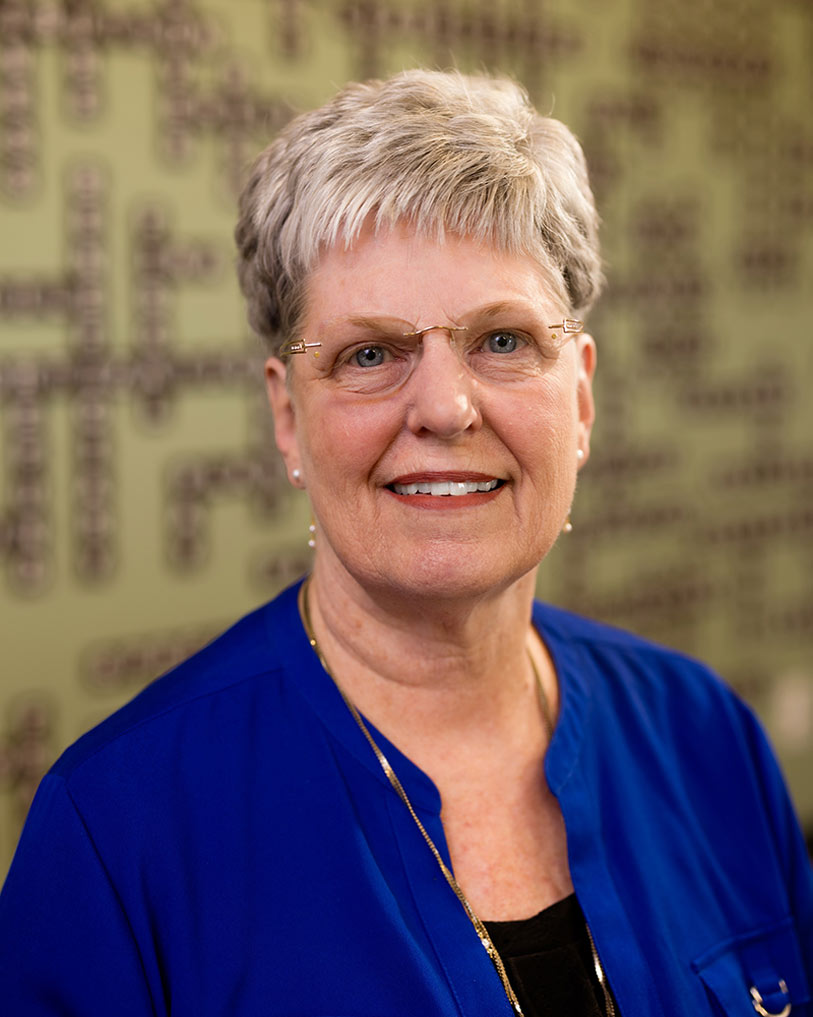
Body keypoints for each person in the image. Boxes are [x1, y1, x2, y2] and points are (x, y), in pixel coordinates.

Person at [0, 69, 811, 1017]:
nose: (444, 406)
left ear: (580, 399)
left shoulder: (703, 735)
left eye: (502, 341)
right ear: (287, 417)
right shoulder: (117, 830)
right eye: (370, 354)